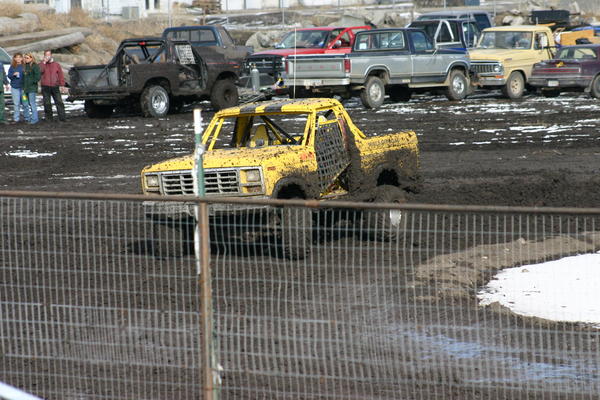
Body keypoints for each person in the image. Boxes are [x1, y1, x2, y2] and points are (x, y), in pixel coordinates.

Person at [39, 50, 66, 122]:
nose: (47, 56)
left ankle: (62, 117)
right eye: (46, 55)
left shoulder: (56, 64)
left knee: (59, 102)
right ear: (44, 56)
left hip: (55, 86)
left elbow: (60, 75)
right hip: (45, 86)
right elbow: (40, 71)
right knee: (47, 103)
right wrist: (44, 63)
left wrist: (62, 85)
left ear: (51, 55)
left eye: (49, 55)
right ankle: (49, 118)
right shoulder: (42, 64)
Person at [7, 52, 29, 123]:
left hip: (23, 89)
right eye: (16, 57)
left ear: (22, 58)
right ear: (14, 58)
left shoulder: (25, 66)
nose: (18, 58)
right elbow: (9, 76)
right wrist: (13, 74)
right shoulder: (12, 66)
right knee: (16, 104)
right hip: (15, 88)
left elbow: (28, 76)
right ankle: (16, 119)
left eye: (20, 57)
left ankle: (27, 118)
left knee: (25, 103)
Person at [22, 53, 40, 124]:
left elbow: (38, 77)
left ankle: (35, 119)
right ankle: (28, 118)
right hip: (25, 89)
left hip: (32, 89)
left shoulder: (35, 66)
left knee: (32, 103)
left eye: (27, 58)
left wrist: (32, 82)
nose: (26, 59)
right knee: (25, 103)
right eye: (25, 58)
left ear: (31, 58)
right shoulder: (24, 66)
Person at [0, 59, 8, 124]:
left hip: (0, 88)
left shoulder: (0, 63)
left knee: (2, 104)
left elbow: (3, 74)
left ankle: (2, 119)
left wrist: (6, 83)